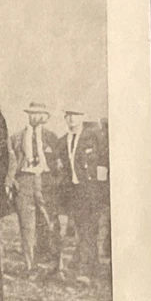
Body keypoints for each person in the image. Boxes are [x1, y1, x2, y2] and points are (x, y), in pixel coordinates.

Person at [52, 106, 109, 284]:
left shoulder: (94, 137)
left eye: (75, 115)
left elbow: (103, 162)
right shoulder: (62, 142)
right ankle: (91, 268)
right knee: (84, 231)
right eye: (68, 116)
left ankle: (84, 271)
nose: (71, 119)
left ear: (83, 116)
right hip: (74, 193)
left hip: (92, 191)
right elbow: (62, 169)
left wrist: (101, 191)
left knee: (88, 230)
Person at [8, 101, 59, 275]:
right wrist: (12, 180)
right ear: (28, 115)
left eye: (39, 113)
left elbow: (60, 163)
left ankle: (54, 264)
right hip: (25, 182)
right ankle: (30, 266)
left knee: (50, 223)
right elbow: (11, 161)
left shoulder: (52, 137)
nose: (36, 117)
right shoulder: (16, 137)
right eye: (32, 113)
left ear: (45, 117)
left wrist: (54, 182)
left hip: (45, 182)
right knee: (27, 226)